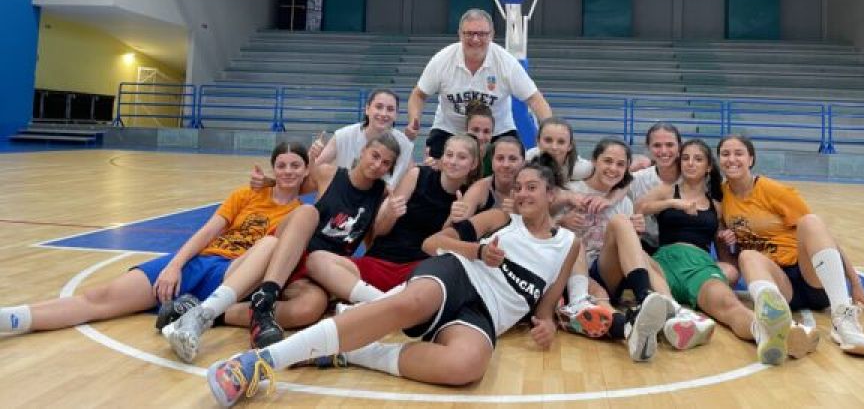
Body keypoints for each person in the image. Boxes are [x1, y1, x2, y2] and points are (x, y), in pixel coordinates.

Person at [203, 156, 666, 407]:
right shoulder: (498, 219)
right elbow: (433, 243)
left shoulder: (567, 245)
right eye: (518, 187)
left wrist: (545, 324)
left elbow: (544, 303)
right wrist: (477, 251)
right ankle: (259, 361)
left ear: (551, 194)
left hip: (486, 315)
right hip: (457, 275)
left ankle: (354, 351)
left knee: (466, 368)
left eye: (532, 187)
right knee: (407, 303)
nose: (522, 193)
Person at [0, 141, 308, 337]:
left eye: (295, 165)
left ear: (307, 170)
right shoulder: (245, 195)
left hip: (233, 275)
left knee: (269, 244)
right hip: (199, 262)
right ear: (273, 167)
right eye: (281, 165)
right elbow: (207, 232)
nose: (288, 171)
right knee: (100, 298)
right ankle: (14, 318)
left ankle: (203, 313)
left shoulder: (300, 215)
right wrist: (174, 265)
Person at [162, 133, 401, 362]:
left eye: (386, 162)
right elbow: (289, 183)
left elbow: (368, 238)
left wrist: (388, 218)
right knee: (307, 212)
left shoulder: (381, 194)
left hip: (321, 269)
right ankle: (262, 296)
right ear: (363, 151)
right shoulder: (328, 173)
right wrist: (265, 182)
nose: (378, 165)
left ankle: (208, 312)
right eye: (375, 156)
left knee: (311, 308)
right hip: (292, 250)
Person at [636, 139, 819, 363]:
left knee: (730, 307)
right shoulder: (667, 190)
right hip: (664, 263)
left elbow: (724, 252)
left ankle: (771, 333)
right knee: (639, 258)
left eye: (698, 159)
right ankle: (674, 310)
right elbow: (640, 207)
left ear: (708, 167)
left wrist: (727, 251)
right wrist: (674, 203)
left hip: (699, 266)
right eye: (685, 158)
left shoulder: (716, 205)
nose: (690, 163)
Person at [717, 135, 864, 359]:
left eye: (738, 153)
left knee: (811, 221)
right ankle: (776, 321)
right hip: (780, 284)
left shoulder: (774, 190)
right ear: (719, 160)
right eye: (725, 154)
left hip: (809, 275)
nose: (731, 159)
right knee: (747, 255)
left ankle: (843, 319)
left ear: (751, 159)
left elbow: (822, 237)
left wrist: (855, 283)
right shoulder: (722, 195)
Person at [555, 137, 712, 356]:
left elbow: (629, 250)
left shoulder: (624, 201)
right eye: (607, 161)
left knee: (623, 224)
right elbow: (539, 229)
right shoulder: (570, 191)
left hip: (605, 270)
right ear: (594, 161)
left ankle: (662, 304)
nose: (613, 168)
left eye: (620, 164)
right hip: (573, 271)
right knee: (575, 241)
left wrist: (634, 232)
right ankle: (635, 322)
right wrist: (560, 221)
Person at [307, 134, 486, 297]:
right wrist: (390, 213)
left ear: (474, 164)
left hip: (418, 271)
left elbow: (442, 245)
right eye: (449, 154)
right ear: (442, 156)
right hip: (382, 260)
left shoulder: (471, 195)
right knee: (317, 260)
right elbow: (380, 231)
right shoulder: (418, 175)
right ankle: (380, 302)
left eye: (462, 157)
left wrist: (454, 220)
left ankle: (375, 301)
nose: (453, 161)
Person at [405, 8, 552, 158]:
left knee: (512, 164)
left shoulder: (506, 62)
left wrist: (549, 131)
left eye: (482, 34)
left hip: (497, 130)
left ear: (491, 35)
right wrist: (414, 121)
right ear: (460, 34)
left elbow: (535, 99)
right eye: (469, 33)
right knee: (433, 165)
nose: (475, 39)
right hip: (451, 129)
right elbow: (419, 95)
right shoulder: (442, 60)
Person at [311, 88, 414, 188]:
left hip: (383, 198)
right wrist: (312, 156)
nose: (384, 113)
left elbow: (407, 180)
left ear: (396, 115)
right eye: (379, 107)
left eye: (390, 109)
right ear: (367, 109)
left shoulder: (404, 144)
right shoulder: (343, 135)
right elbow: (314, 171)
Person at [627, 122, 683, 255]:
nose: (663, 151)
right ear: (648, 147)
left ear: (679, 146)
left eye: (670, 145)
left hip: (681, 248)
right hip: (644, 246)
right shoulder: (636, 179)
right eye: (657, 145)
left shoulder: (693, 178)